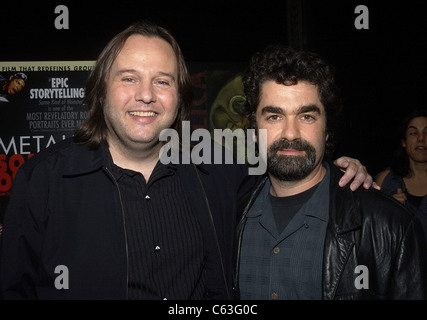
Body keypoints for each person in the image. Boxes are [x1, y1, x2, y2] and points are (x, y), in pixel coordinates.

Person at [0, 21, 373, 300]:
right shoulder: (44, 180)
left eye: (162, 81)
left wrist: (338, 171)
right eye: (129, 78)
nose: (145, 95)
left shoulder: (221, 174)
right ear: (100, 91)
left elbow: (289, 177)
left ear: (180, 98)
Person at [234, 44, 427, 300]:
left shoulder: (391, 226)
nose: (291, 133)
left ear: (327, 130)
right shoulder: (231, 217)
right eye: (274, 117)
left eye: (307, 117)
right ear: (254, 130)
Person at [375, 109, 427, 244]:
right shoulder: (386, 180)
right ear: (404, 142)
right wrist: (389, 210)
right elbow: (371, 229)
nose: (421, 138)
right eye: (414, 133)